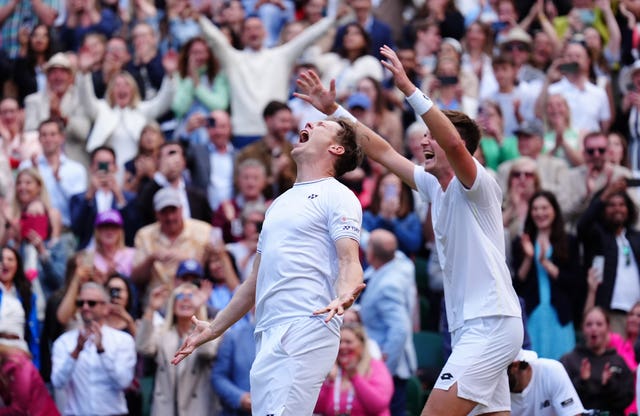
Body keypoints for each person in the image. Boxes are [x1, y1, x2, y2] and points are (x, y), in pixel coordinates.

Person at [294, 46, 523, 415]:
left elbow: (448, 139)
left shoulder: (479, 184)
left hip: (491, 323)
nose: (423, 142)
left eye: (430, 138)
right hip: (471, 327)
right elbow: (382, 151)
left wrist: (408, 88)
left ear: (459, 147)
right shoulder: (435, 186)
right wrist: (334, 111)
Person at [171, 101, 365, 416]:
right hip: (268, 331)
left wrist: (345, 295)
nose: (310, 124)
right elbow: (253, 282)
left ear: (336, 149)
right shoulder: (279, 204)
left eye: (322, 125)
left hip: (309, 323)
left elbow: (348, 260)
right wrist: (215, 328)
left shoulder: (338, 194)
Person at [511, 191, 579, 360]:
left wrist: (545, 263)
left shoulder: (569, 241)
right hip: (532, 315)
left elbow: (574, 282)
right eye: (535, 208)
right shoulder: (521, 242)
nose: (540, 213)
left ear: (554, 210)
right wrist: (529, 258)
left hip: (559, 316)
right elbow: (516, 285)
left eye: (544, 208)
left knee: (562, 364)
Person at [51, 282, 137, 416]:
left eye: (91, 303)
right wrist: (76, 352)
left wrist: (102, 351)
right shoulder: (64, 342)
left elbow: (123, 382)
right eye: (81, 303)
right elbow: (58, 382)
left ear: (105, 307)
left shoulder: (123, 340)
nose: (85, 307)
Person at [136, 283, 219, 416]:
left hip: (197, 408)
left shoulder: (210, 328)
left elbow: (208, 352)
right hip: (165, 409)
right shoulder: (162, 332)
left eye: (191, 296)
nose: (185, 299)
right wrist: (151, 309)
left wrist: (200, 310)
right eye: (180, 295)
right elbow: (144, 347)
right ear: (172, 305)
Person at [358, 229, 417, 416]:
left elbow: (399, 330)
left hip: (391, 371)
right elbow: (373, 241)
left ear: (371, 254)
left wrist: (384, 371)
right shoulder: (401, 262)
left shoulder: (387, 287)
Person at [560, 307, 635, 415]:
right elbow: (562, 399)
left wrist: (609, 385)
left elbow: (627, 398)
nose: (594, 328)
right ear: (582, 328)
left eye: (599, 324)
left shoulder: (618, 361)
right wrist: (582, 381)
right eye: (589, 324)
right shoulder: (569, 360)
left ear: (608, 327)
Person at [314, 322, 394, 416]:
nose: (342, 346)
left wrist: (355, 378)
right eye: (339, 342)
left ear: (362, 344)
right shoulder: (332, 370)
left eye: (348, 342)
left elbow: (378, 405)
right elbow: (317, 407)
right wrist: (328, 381)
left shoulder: (375, 367)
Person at [508, 349, 585, 416]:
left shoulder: (551, 370)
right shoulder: (497, 388)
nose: (496, 376)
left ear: (515, 365)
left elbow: (573, 413)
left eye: (500, 370)